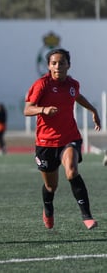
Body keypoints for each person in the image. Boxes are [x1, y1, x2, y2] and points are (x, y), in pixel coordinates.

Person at [24, 48, 100, 230]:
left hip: (69, 137)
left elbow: (77, 96)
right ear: (49, 66)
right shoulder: (42, 84)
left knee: (72, 171)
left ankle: (87, 216)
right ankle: (48, 209)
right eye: (54, 63)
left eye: (62, 62)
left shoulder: (73, 84)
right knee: (51, 186)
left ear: (69, 65)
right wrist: (43, 110)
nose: (58, 66)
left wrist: (93, 110)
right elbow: (27, 109)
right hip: (45, 143)